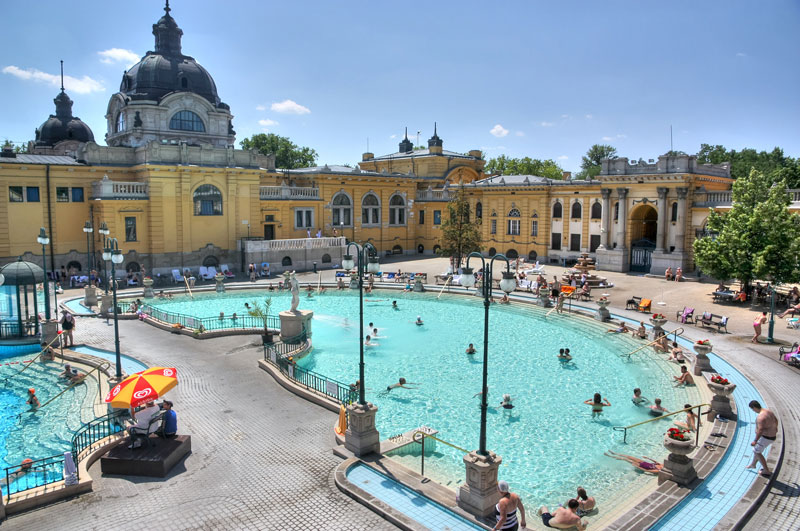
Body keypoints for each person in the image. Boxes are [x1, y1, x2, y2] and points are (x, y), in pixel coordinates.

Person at [746, 400, 778, 476]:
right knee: (757, 450)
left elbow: (760, 430)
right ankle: (753, 464)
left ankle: (766, 470)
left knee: (757, 451)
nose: (753, 411)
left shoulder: (760, 417)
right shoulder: (769, 412)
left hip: (766, 438)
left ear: (754, 407)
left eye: (752, 409)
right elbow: (776, 420)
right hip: (772, 436)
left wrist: (755, 440)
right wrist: (775, 428)